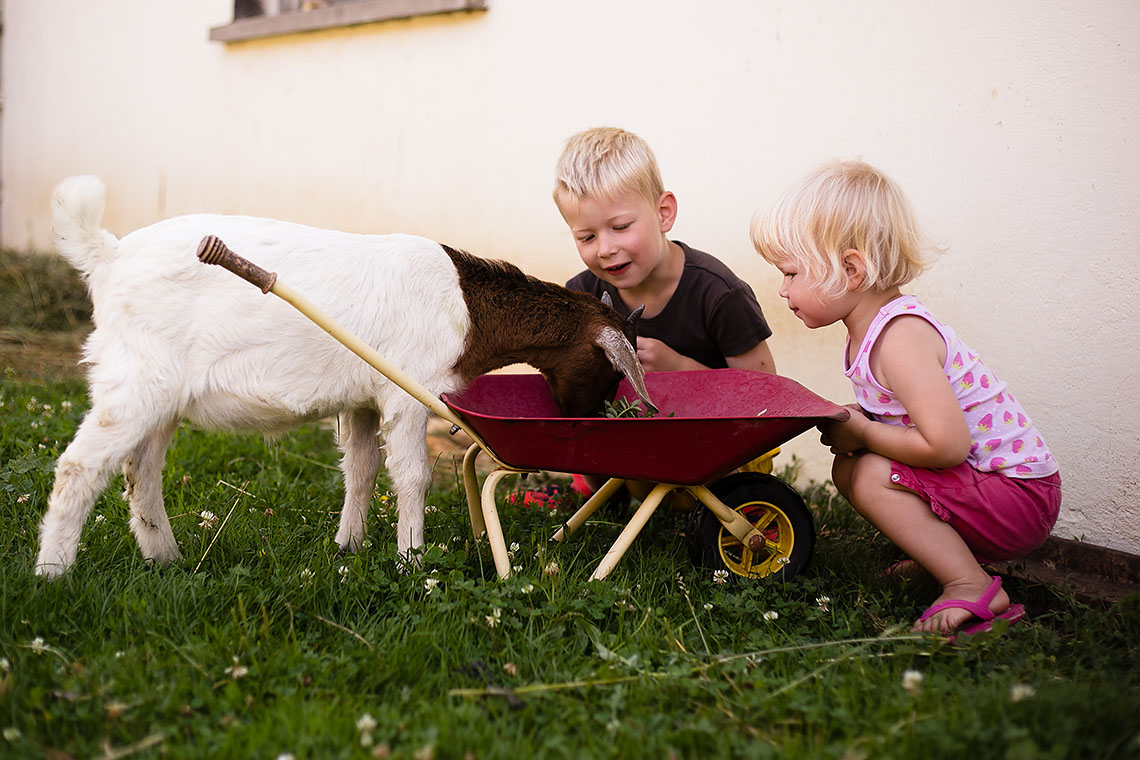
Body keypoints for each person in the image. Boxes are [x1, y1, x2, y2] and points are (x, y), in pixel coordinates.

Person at [750, 160, 1061, 637]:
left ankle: (970, 584)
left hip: (1018, 497)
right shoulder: (871, 332)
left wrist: (866, 432)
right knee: (852, 467)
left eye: (791, 273)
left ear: (850, 270)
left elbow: (947, 446)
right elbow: (907, 421)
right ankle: (942, 556)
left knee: (871, 472)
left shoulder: (900, 337)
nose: (782, 289)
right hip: (988, 489)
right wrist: (860, 420)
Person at [549, 126, 776, 502]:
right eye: (586, 237)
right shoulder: (581, 297)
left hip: (722, 457)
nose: (605, 249)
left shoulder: (718, 293)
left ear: (663, 213)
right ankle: (593, 488)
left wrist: (678, 368)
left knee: (708, 489)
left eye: (621, 227)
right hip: (634, 455)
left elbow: (766, 397)